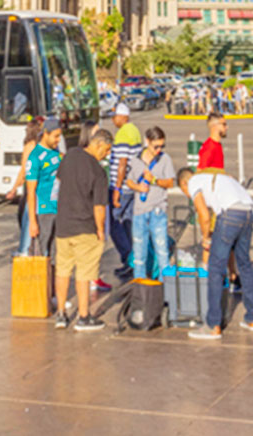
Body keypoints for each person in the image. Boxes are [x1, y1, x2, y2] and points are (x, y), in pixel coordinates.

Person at [180, 162, 253, 340]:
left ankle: (213, 325)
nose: (188, 195)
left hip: (230, 213)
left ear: (184, 184)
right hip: (248, 211)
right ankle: (252, 318)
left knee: (215, 269)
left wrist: (205, 237)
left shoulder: (193, 182)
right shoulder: (214, 177)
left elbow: (204, 215)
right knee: (244, 264)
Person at [53, 127, 114, 331]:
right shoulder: (98, 172)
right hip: (85, 227)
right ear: (98, 144)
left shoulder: (70, 155)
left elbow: (60, 180)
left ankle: (61, 314)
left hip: (63, 225)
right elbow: (99, 207)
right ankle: (83, 316)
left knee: (62, 271)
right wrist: (100, 230)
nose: (106, 155)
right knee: (84, 273)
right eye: (106, 150)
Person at [126, 128, 175, 281]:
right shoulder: (135, 159)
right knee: (139, 254)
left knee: (162, 253)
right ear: (147, 142)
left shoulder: (165, 159)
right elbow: (129, 181)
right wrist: (138, 187)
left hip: (158, 210)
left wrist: (154, 180)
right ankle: (140, 287)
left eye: (162, 146)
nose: (159, 150)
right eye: (156, 146)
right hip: (140, 211)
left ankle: (164, 288)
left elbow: (170, 182)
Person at [11, 118, 64, 255]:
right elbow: (31, 191)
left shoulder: (56, 153)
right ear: (46, 133)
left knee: (56, 256)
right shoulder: (35, 157)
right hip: (43, 212)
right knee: (41, 255)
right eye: (56, 136)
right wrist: (33, 222)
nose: (58, 140)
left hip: (57, 209)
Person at [106, 102, 142, 281]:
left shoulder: (122, 135)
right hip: (132, 184)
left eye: (115, 116)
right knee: (127, 222)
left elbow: (122, 164)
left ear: (123, 117)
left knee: (113, 223)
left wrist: (117, 189)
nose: (113, 120)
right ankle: (133, 261)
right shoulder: (134, 131)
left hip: (122, 186)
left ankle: (128, 258)